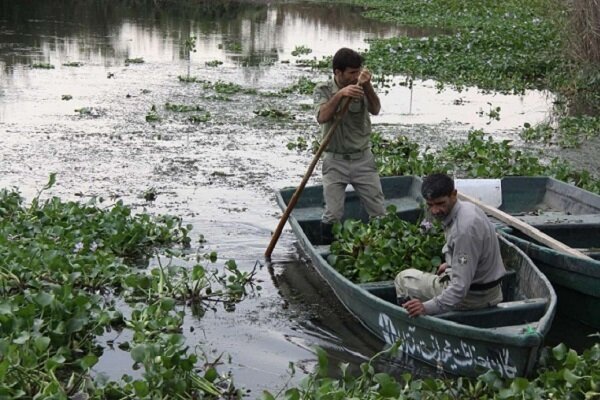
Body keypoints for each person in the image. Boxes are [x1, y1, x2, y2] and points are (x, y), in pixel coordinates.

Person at [395, 173, 506, 317]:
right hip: (491, 291)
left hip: (472, 299)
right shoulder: (469, 209)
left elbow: (459, 289)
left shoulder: (463, 230)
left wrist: (426, 307)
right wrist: (450, 264)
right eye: (430, 205)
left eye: (440, 204)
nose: (435, 210)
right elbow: (470, 256)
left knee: (404, 278)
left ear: (454, 194)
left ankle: (412, 319)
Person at [313, 47, 385, 243]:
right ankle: (327, 250)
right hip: (335, 160)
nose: (356, 76)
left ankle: (380, 246)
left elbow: (376, 109)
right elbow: (323, 117)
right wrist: (341, 95)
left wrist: (367, 86)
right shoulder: (323, 89)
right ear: (338, 72)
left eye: (358, 71)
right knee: (333, 214)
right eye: (352, 73)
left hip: (362, 159)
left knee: (379, 212)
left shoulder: (361, 86)